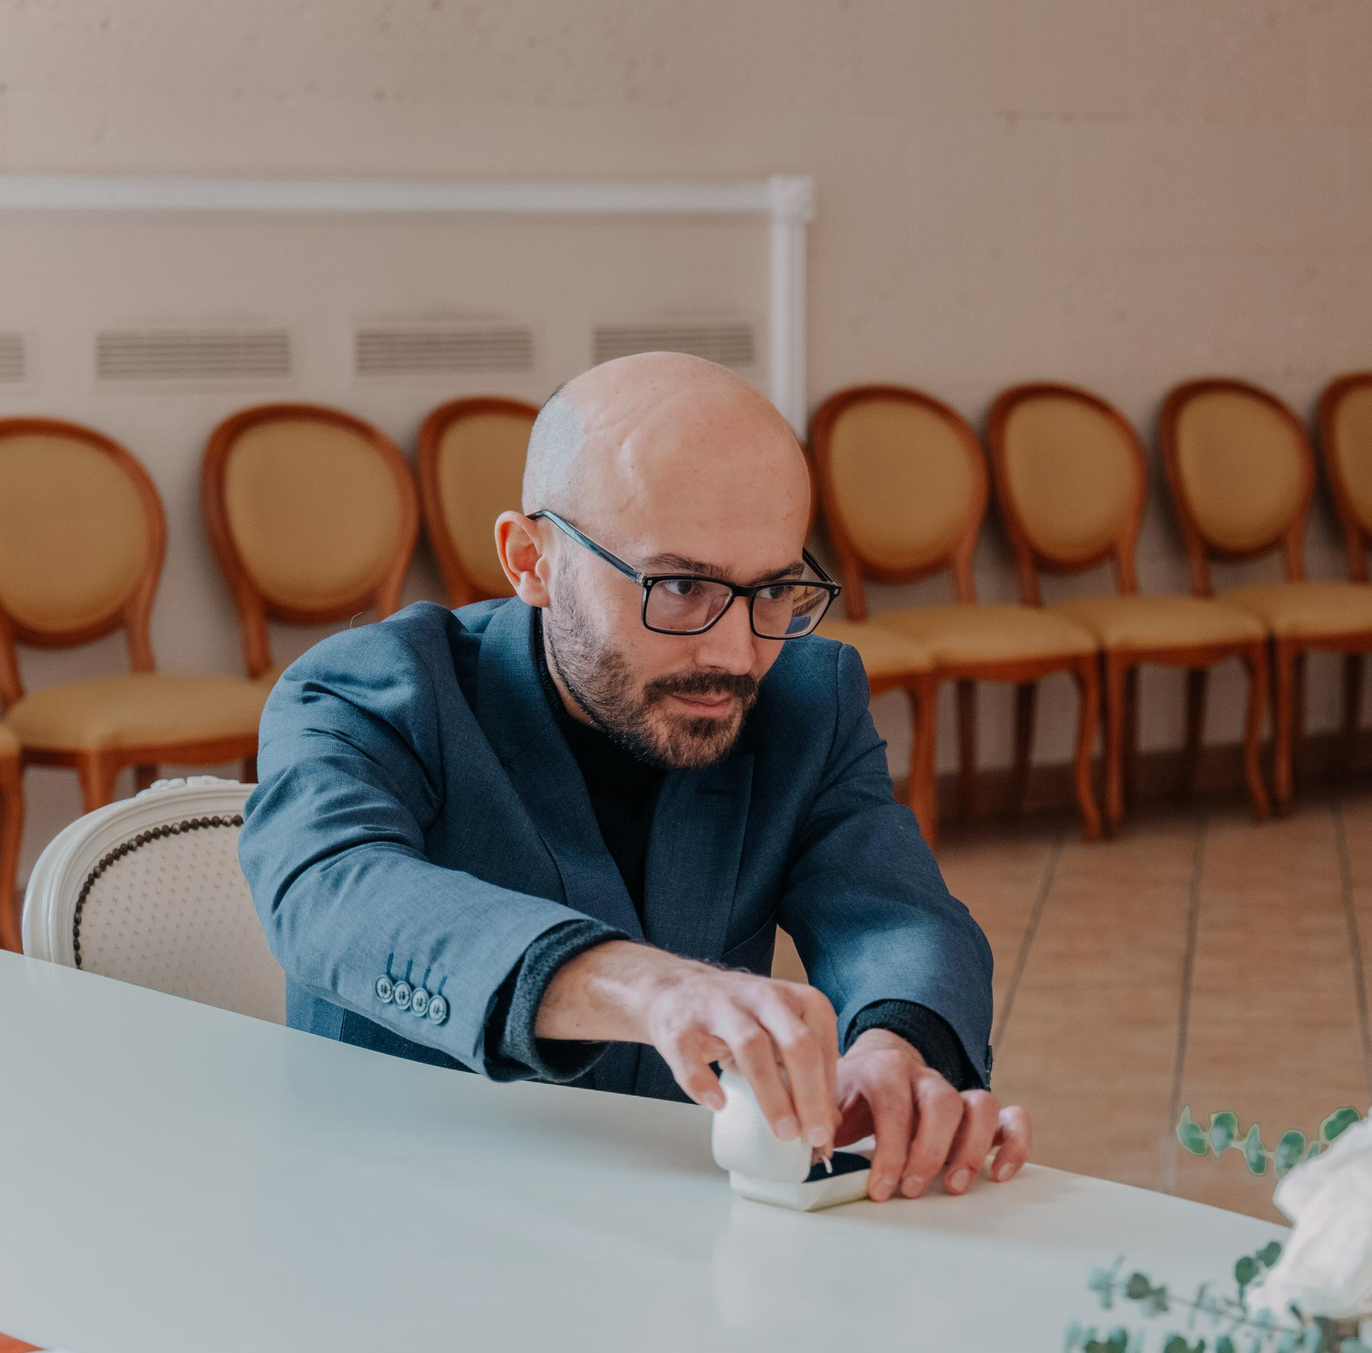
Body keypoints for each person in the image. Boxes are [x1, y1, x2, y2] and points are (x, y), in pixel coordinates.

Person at [240, 352, 1030, 1203]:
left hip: (680, 1245)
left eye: (773, 591)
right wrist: (645, 984)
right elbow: (330, 891)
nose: (734, 654)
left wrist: (891, 1056)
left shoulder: (806, 696)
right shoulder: (365, 689)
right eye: (679, 585)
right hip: (396, 1226)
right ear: (530, 559)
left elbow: (900, 918)